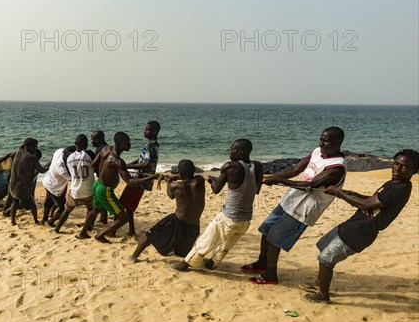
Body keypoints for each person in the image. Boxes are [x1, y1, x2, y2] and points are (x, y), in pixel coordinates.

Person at [304, 149, 418, 303]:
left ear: (413, 170)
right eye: (396, 163)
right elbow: (371, 199)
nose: (397, 168)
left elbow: (366, 203)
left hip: (362, 231)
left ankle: (323, 296)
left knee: (326, 258)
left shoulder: (400, 188)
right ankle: (320, 282)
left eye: (403, 167)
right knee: (323, 245)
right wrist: (343, 191)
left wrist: (338, 193)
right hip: (355, 223)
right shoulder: (393, 183)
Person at [242, 127, 346, 285]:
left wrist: (280, 181)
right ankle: (262, 263)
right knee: (266, 229)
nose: (321, 143)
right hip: (290, 200)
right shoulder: (317, 152)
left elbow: (310, 185)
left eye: (326, 140)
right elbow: (295, 169)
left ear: (338, 142)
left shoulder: (337, 167)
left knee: (274, 238)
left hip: (303, 209)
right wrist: (273, 177)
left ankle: (271, 274)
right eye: (321, 139)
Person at [171, 139, 263, 271]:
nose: (230, 152)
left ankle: (185, 264)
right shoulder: (258, 166)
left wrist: (212, 180)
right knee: (226, 244)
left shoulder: (230, 167)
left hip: (229, 217)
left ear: (240, 152)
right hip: (246, 220)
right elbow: (257, 190)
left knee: (205, 240)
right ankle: (212, 263)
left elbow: (216, 189)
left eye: (232, 149)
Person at [76, 132, 158, 243]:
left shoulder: (105, 149)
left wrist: (107, 170)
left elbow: (93, 164)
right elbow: (130, 182)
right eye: (127, 142)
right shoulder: (118, 161)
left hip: (97, 185)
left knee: (95, 211)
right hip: (105, 191)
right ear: (119, 143)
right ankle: (100, 235)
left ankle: (83, 233)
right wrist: (151, 177)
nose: (130, 144)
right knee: (123, 218)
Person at [127, 159, 205, 262]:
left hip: (178, 221)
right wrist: (175, 177)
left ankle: (133, 257)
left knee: (150, 235)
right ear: (194, 170)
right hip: (193, 224)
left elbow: (170, 195)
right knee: (183, 252)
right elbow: (188, 179)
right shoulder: (200, 181)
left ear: (180, 173)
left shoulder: (176, 186)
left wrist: (169, 182)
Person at [119, 121, 161, 236]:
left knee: (122, 204)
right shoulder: (150, 144)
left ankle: (114, 228)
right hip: (139, 179)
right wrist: (125, 165)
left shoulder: (151, 146)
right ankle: (131, 230)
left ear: (155, 131)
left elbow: (145, 164)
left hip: (140, 180)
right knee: (128, 205)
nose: (144, 131)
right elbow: (140, 161)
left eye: (147, 129)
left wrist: (125, 166)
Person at [53, 135, 96, 233]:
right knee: (91, 209)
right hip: (88, 191)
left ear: (75, 144)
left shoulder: (69, 157)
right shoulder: (89, 154)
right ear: (86, 145)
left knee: (67, 210)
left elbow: (69, 171)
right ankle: (88, 227)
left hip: (75, 191)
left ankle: (57, 228)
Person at [8, 138, 49, 226]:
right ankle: (35, 221)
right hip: (22, 189)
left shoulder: (18, 152)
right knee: (32, 205)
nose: (36, 149)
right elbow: (42, 170)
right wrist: (50, 163)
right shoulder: (32, 157)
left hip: (12, 186)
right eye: (35, 147)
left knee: (14, 203)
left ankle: (13, 221)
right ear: (29, 147)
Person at [42, 145, 75, 225]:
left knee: (49, 202)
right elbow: (73, 178)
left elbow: (52, 159)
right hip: (54, 187)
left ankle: (44, 219)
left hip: (47, 181)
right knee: (64, 208)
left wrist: (46, 167)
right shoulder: (61, 169)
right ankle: (50, 222)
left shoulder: (60, 151)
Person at [91, 130, 109, 224]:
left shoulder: (101, 149)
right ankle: (103, 218)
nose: (91, 141)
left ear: (97, 140)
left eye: (92, 139)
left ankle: (104, 218)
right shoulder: (104, 147)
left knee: (102, 198)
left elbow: (95, 165)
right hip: (103, 177)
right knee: (100, 198)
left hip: (104, 179)